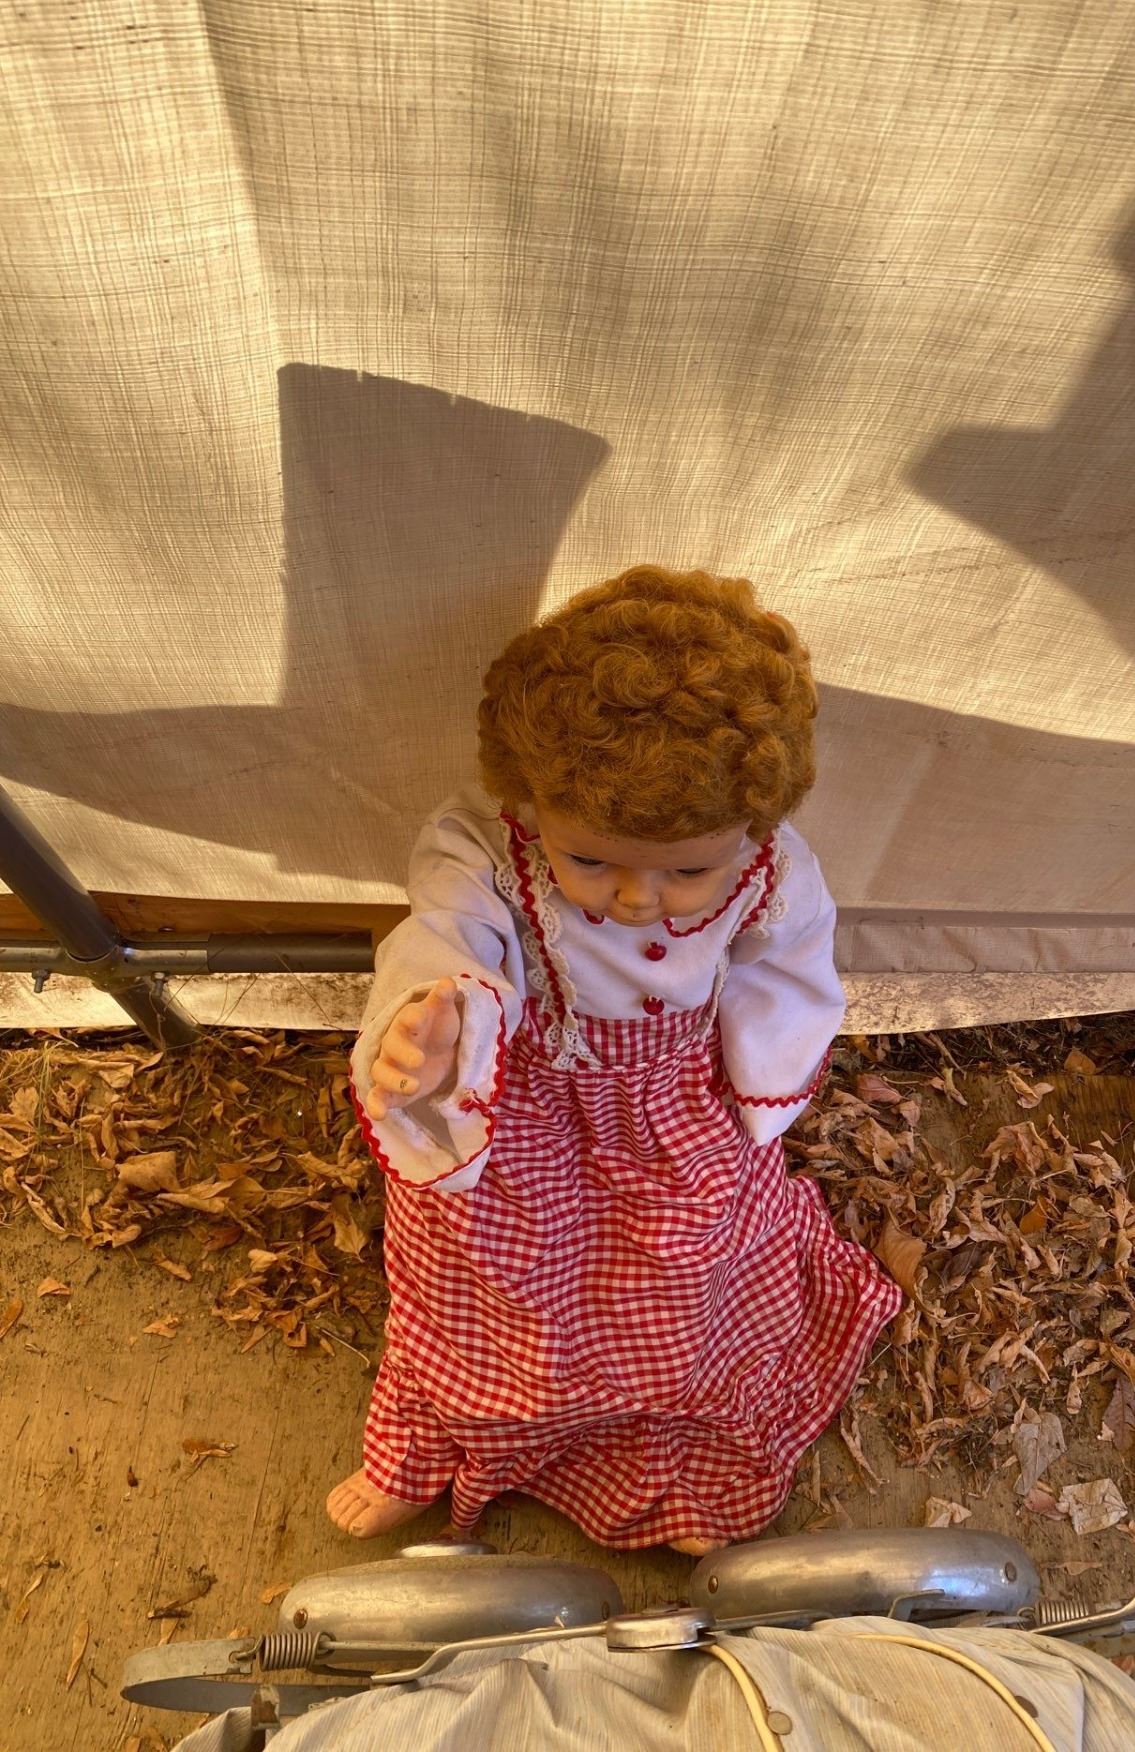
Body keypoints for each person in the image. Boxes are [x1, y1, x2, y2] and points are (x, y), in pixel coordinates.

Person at [326, 566, 902, 1553]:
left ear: (749, 833)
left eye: (687, 870)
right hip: (519, 1105)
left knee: (686, 1278)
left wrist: (758, 1094)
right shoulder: (489, 848)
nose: (638, 900)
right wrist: (440, 1020)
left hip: (674, 1110)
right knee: (470, 1276)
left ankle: (675, 1449)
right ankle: (432, 1439)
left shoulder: (770, 871)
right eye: (592, 860)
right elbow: (448, 934)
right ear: (531, 800)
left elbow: (787, 976)